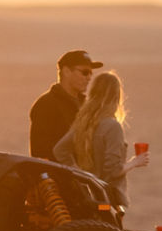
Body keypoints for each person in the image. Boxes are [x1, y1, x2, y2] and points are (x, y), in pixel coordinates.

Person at [51, 70, 149, 205]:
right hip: (108, 198)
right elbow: (112, 171)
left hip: (87, 194)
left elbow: (59, 150)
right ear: (117, 97)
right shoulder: (113, 126)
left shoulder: (83, 122)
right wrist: (134, 162)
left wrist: (79, 173)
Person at [30, 50, 100, 158]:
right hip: (61, 173)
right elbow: (39, 152)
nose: (89, 77)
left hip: (84, 173)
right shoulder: (46, 104)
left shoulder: (87, 105)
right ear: (66, 71)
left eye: (91, 73)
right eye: (85, 72)